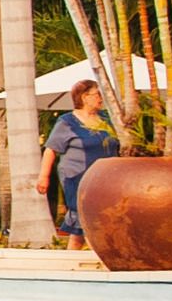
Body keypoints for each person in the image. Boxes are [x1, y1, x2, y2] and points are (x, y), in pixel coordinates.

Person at [41, 78, 124, 245]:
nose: (101, 98)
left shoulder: (107, 118)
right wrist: (44, 176)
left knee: (86, 223)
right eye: (98, 94)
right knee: (86, 216)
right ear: (85, 97)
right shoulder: (67, 122)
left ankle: (71, 262)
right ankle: (99, 255)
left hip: (105, 178)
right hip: (77, 176)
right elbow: (51, 149)